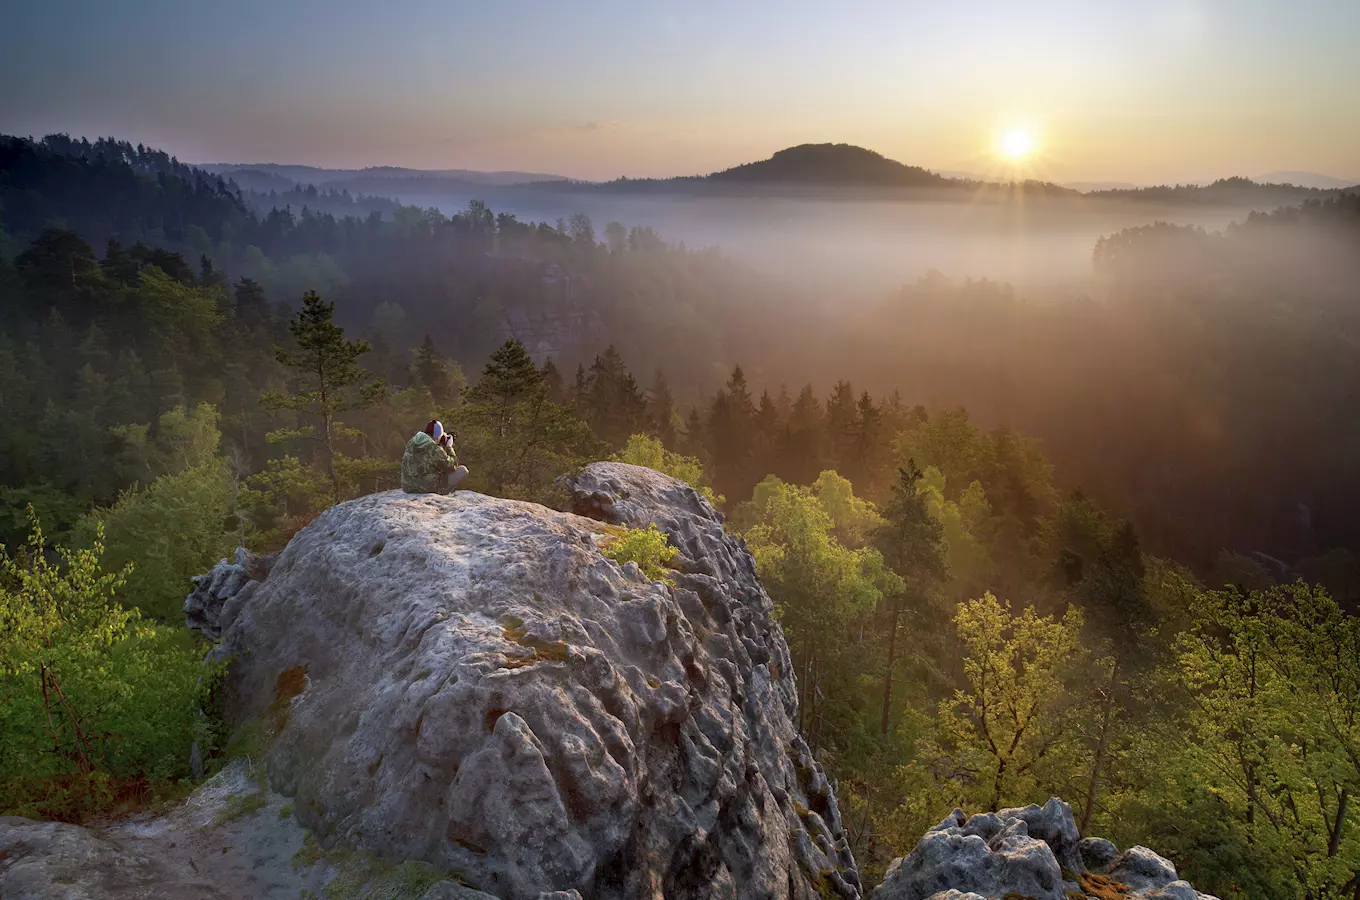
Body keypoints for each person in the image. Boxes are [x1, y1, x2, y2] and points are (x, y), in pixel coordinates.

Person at [401, 419, 469, 494]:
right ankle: (444, 494)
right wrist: (449, 447)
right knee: (463, 470)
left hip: (408, 487)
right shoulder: (433, 448)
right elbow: (452, 465)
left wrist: (440, 444)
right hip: (427, 488)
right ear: (438, 436)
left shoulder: (413, 442)